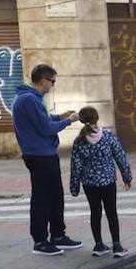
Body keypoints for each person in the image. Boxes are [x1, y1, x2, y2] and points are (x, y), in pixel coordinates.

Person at [13, 63, 79, 256]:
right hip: (39, 155)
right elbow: (46, 128)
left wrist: (59, 116)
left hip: (45, 153)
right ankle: (40, 241)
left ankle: (58, 235)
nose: (52, 85)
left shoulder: (31, 99)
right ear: (43, 80)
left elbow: (42, 119)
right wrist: (69, 121)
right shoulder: (29, 100)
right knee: (43, 198)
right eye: (52, 81)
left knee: (55, 196)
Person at [68, 106, 133, 258]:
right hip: (108, 181)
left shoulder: (79, 141)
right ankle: (117, 245)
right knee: (111, 212)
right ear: (97, 118)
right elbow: (120, 157)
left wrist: (75, 187)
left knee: (95, 212)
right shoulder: (109, 136)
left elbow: (75, 165)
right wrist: (127, 177)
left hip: (89, 183)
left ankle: (99, 245)